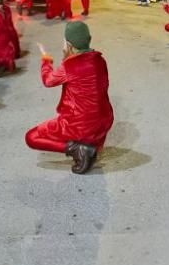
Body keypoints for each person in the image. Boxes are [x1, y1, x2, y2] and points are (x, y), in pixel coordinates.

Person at [27, 22, 114, 174]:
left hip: (79, 125)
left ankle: (79, 149)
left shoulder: (70, 66)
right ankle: (86, 147)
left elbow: (48, 81)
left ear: (68, 44)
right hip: (102, 121)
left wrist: (45, 59)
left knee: (31, 137)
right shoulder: (100, 60)